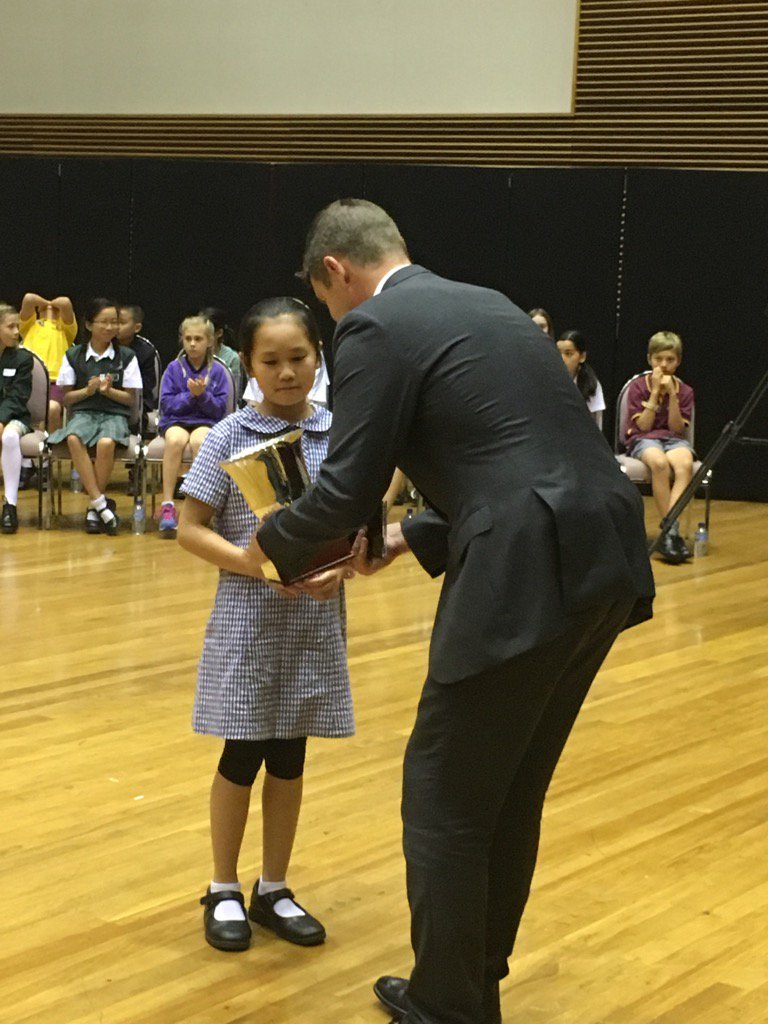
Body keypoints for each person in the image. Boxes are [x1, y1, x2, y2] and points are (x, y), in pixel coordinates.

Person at [252, 199, 654, 1024]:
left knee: (443, 792)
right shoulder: (487, 303)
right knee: (507, 788)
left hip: (524, 567)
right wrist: (403, 537)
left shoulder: (374, 326)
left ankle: (446, 1003)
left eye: (325, 307)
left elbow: (347, 485)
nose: (332, 326)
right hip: (603, 552)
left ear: (336, 271)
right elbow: (520, 450)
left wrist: (272, 551)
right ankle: (474, 980)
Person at [177, 297, 354, 953]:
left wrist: (344, 566)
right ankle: (223, 886)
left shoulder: (340, 433)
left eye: (299, 358)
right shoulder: (227, 437)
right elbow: (190, 531)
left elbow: (354, 525)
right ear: (247, 364)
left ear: (318, 358)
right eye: (271, 361)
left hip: (313, 622)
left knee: (291, 754)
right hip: (249, 623)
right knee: (242, 753)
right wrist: (252, 565)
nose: (287, 372)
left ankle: (272, 886)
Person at [48, 298, 142, 535]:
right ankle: (101, 503)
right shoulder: (73, 355)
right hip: (84, 413)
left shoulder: (127, 356)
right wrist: (87, 391)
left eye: (115, 322)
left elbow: (131, 399)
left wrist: (109, 391)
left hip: (114, 414)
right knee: (72, 438)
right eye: (104, 322)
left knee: (106, 443)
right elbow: (66, 398)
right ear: (89, 325)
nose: (110, 328)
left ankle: (94, 507)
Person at [624, 330, 694, 564]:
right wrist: (655, 392)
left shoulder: (685, 391)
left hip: (672, 440)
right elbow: (642, 426)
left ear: (678, 361)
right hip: (644, 439)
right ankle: (672, 532)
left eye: (670, 359)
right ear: (650, 359)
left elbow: (677, 430)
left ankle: (668, 530)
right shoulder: (637, 387)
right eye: (658, 359)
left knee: (685, 465)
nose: (663, 365)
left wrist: (672, 396)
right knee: (659, 464)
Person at [157, 315, 230, 538]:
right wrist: (191, 396)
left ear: (209, 341)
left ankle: (196, 506)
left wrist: (203, 396)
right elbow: (167, 405)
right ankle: (167, 505)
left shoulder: (218, 370)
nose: (192, 344)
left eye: (198, 338)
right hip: (176, 421)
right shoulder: (173, 368)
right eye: (188, 338)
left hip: (206, 421)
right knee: (175, 440)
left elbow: (220, 409)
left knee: (201, 440)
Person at [19, 292, 77, 431]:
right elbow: (29, 298)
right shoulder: (29, 326)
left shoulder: (66, 329)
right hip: (29, 378)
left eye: (56, 309)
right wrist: (47, 304)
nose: (51, 309)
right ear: (37, 310)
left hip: (55, 381)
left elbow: (65, 302)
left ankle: (52, 445)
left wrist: (50, 305)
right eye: (45, 308)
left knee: (53, 408)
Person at [0, 303, 34, 534]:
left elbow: (17, 397)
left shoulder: (22, 358)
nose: (16, 332)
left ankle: (10, 505)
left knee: (10, 437)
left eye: (17, 327)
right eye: (10, 326)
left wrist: (1, 420)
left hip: (15, 417)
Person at [117, 304, 159, 430]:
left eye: (122, 322)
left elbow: (147, 390)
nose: (115, 327)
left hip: (136, 404)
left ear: (137, 327)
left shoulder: (146, 352)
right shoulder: (104, 346)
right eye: (115, 322)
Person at [556, 329, 606, 428]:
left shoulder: (591, 385)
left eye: (568, 354)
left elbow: (596, 427)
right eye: (558, 353)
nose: (561, 359)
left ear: (582, 357)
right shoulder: (547, 380)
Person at [198, 306, 243, 397]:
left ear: (219, 333)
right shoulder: (191, 353)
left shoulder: (232, 358)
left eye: (207, 333)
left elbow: (233, 396)